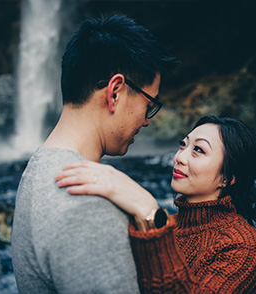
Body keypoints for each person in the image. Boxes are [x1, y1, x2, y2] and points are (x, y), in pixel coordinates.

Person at [11, 13, 178, 294]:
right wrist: (152, 213)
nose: (147, 120)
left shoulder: (37, 169)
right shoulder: (87, 207)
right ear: (115, 93)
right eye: (149, 104)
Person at [56, 116, 256, 293]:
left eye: (198, 150)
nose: (179, 157)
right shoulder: (165, 226)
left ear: (228, 178)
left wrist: (146, 208)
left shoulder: (246, 247)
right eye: (183, 145)